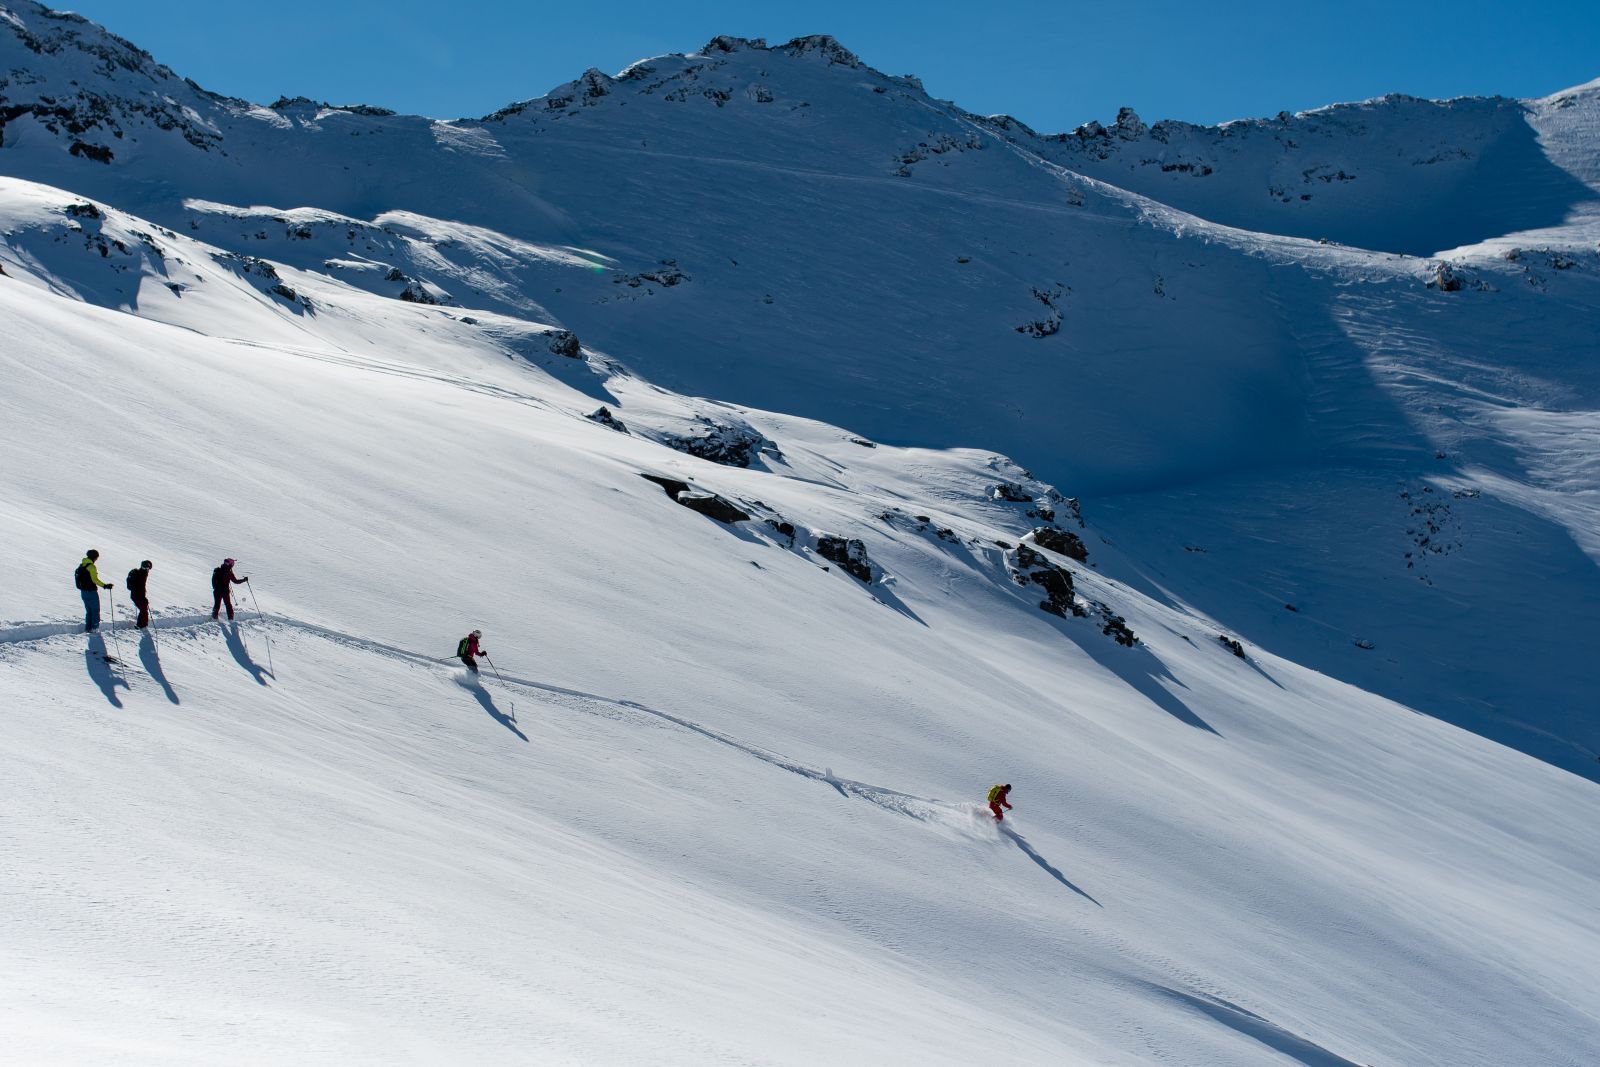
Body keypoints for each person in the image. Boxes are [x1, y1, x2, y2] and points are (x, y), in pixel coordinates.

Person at [73, 549, 113, 632]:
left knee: (89, 611)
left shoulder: (81, 565)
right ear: (94, 557)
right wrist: (105, 586)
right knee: (95, 610)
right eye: (96, 558)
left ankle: (88, 628)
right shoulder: (91, 567)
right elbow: (95, 580)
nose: (96, 560)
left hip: (83, 592)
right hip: (91, 592)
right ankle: (94, 628)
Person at [126, 560, 153, 629]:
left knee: (143, 609)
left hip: (137, 595)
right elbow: (140, 587)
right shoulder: (141, 574)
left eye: (148, 568)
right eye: (146, 568)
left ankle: (142, 625)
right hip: (137, 596)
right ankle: (141, 625)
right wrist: (143, 597)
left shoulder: (142, 573)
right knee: (143, 609)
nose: (147, 570)